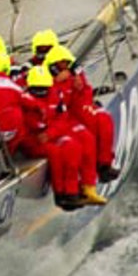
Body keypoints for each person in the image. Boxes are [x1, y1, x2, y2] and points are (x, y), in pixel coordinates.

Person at [45, 44, 119, 181]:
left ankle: (104, 165)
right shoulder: (44, 78)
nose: (65, 65)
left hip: (75, 111)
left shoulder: (74, 74)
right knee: (84, 137)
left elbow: (85, 95)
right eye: (62, 62)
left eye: (67, 62)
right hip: (58, 118)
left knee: (103, 119)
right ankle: (83, 177)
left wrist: (79, 87)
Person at [19, 64, 85, 208]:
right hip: (32, 141)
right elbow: (23, 126)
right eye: (37, 89)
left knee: (72, 146)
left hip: (50, 135)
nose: (41, 92)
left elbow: (62, 119)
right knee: (55, 153)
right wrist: (41, 134)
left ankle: (72, 191)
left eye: (43, 88)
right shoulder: (23, 101)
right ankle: (60, 193)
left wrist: (50, 133)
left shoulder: (56, 95)